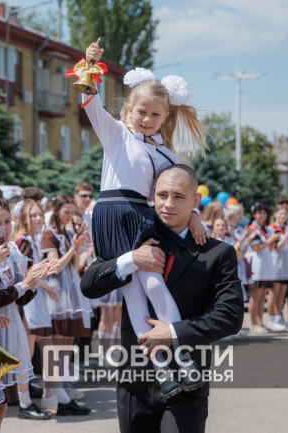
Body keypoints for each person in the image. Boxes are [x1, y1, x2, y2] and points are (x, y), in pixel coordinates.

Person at [83, 42, 208, 398]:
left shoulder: (168, 154)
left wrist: (193, 215)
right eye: (141, 111)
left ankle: (183, 359)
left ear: (165, 117)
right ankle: (162, 369)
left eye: (155, 114)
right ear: (129, 109)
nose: (147, 119)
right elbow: (89, 101)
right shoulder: (116, 133)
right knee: (133, 292)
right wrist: (90, 64)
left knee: (152, 285)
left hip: (142, 215)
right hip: (112, 213)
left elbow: (174, 192)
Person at [80, 164, 244, 433]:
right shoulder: (131, 241)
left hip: (188, 380)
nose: (168, 204)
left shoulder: (217, 253)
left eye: (179, 196)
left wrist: (173, 332)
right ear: (152, 196)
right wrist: (131, 259)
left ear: (195, 201)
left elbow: (230, 316)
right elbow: (89, 285)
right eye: (162, 195)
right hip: (135, 379)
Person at [0, 198, 51, 431]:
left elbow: (18, 296)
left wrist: (33, 280)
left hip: (8, 325)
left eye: (7, 221)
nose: (4, 228)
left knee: (4, 403)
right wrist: (24, 284)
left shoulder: (10, 249)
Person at [38, 194, 93, 415]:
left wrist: (79, 247)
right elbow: (55, 266)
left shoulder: (68, 233)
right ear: (56, 211)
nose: (70, 216)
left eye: (72, 212)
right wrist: (73, 248)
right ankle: (50, 394)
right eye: (66, 212)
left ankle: (61, 390)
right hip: (57, 290)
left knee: (67, 343)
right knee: (56, 346)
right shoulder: (49, 234)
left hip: (71, 289)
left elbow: (75, 264)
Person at [11, 200, 60, 420]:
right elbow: (25, 274)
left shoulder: (31, 238)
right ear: (24, 218)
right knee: (27, 352)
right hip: (28, 301)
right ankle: (26, 402)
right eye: (33, 215)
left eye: (40, 215)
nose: (38, 219)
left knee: (42, 349)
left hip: (34, 298)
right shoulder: (25, 240)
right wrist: (47, 285)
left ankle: (55, 396)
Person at [246, 203, 280, 333]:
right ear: (254, 215)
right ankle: (253, 324)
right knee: (256, 295)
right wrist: (271, 239)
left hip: (267, 264)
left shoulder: (266, 229)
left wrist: (272, 239)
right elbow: (257, 248)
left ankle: (260, 322)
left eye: (264, 213)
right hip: (257, 265)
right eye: (259, 212)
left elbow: (270, 247)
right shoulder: (252, 228)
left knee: (263, 295)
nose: (261, 215)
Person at [267, 205, 288, 329]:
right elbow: (278, 247)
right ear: (275, 214)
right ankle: (271, 319)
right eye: (281, 214)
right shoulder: (272, 228)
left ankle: (278, 317)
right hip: (276, 263)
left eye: (285, 214)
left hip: (286, 263)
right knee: (274, 292)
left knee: (282, 293)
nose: (283, 216)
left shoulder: (285, 228)